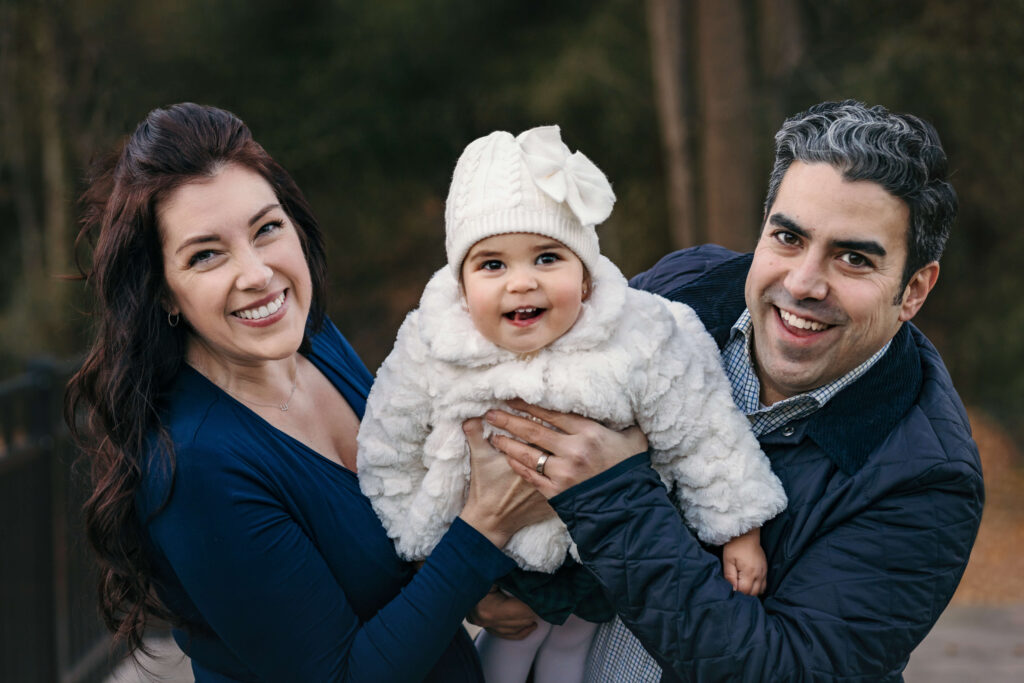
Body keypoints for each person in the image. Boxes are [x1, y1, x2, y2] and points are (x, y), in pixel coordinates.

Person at [474, 100, 986, 681]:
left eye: (852, 258)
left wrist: (614, 496)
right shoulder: (680, 292)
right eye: (788, 238)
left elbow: (784, 670)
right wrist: (472, 576)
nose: (802, 283)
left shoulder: (924, 478)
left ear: (914, 290)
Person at [64, 102, 555, 682]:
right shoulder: (197, 467)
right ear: (166, 294)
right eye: (206, 255)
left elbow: (393, 540)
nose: (257, 274)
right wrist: (484, 533)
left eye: (266, 229)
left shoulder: (312, 338)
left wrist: (468, 587)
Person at [355, 125, 787, 683]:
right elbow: (390, 445)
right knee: (511, 642)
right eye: (492, 265)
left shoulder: (642, 334)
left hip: (599, 554)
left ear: (584, 277)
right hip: (494, 554)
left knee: (574, 643)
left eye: (547, 257)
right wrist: (424, 554)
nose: (521, 283)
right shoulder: (433, 345)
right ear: (460, 285)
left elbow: (703, 429)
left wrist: (740, 530)